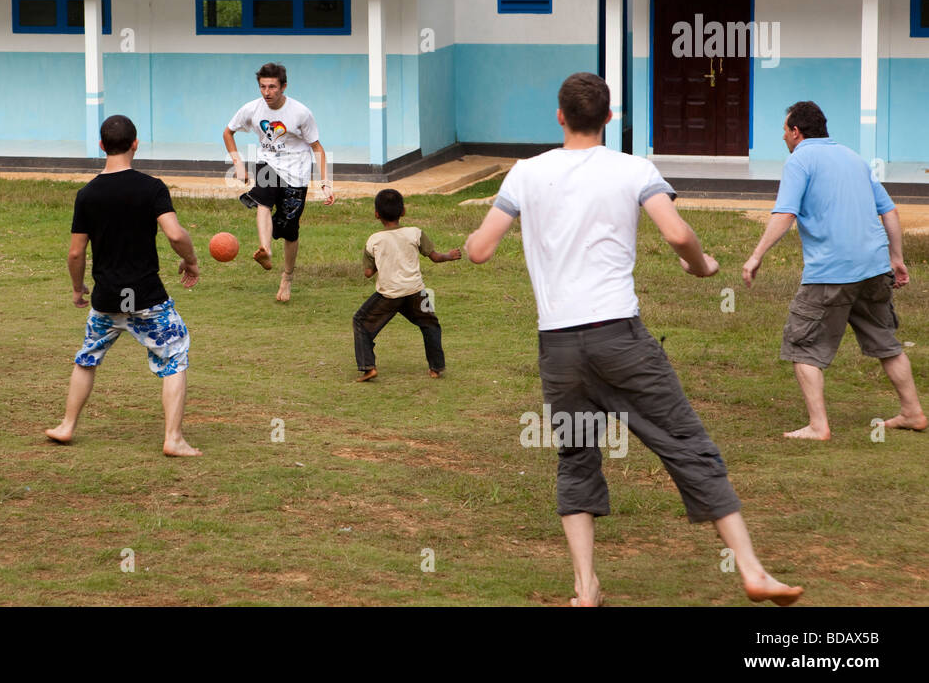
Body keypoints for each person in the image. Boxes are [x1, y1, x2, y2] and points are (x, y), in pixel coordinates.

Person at [465, 72, 802, 607]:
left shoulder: (525, 173)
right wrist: (703, 265)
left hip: (559, 348)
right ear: (608, 118)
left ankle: (585, 588)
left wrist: (484, 231)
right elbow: (674, 231)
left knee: (576, 455)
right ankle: (753, 570)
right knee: (686, 443)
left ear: (559, 116)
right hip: (619, 337)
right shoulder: (632, 168)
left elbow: (479, 250)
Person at [742, 101, 926, 439]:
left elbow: (785, 214)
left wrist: (756, 256)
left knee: (803, 344)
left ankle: (818, 426)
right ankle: (912, 413)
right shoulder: (854, 158)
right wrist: (896, 258)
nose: (783, 137)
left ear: (796, 132)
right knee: (886, 342)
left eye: (785, 131)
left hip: (830, 272)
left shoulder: (799, 160)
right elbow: (890, 212)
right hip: (873, 267)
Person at [47, 114, 202, 457]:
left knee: (87, 358)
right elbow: (175, 234)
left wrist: (77, 288)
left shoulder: (87, 194)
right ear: (135, 144)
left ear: (101, 146)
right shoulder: (152, 187)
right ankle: (173, 439)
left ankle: (67, 426)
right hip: (147, 297)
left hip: (106, 298)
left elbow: (76, 253)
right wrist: (191, 261)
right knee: (174, 354)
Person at [223, 62, 335, 302]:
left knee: (290, 230)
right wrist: (239, 164)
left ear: (283, 86)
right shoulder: (252, 109)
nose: (267, 92)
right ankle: (266, 250)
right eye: (263, 87)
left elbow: (317, 147)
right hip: (268, 164)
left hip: (297, 172)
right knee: (262, 199)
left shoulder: (300, 113)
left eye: (272, 87)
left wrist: (325, 182)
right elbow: (228, 132)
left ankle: (287, 277)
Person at [353, 189, 461, 382]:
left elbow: (368, 273)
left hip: (388, 295)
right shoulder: (415, 233)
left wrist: (383, 261)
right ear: (403, 211)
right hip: (416, 291)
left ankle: (368, 367)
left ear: (376, 214)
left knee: (361, 321)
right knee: (430, 324)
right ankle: (436, 367)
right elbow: (435, 257)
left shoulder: (374, 240)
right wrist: (450, 256)